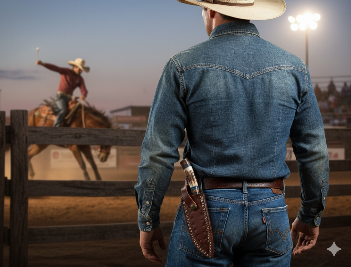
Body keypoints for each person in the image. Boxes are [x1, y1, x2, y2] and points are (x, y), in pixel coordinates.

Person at [134, 0, 329, 266]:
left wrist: (148, 218)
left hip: (207, 210)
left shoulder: (182, 65)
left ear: (210, 11)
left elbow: (158, 152)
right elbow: (314, 152)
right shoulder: (294, 68)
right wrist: (310, 216)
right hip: (271, 209)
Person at [36, 58, 90, 127]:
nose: (81, 71)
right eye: (80, 69)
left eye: (82, 70)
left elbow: (83, 89)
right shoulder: (66, 71)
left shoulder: (80, 78)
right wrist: (43, 64)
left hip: (70, 99)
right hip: (60, 97)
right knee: (62, 111)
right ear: (75, 67)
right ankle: (56, 128)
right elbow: (55, 68)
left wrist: (83, 95)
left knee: (77, 111)